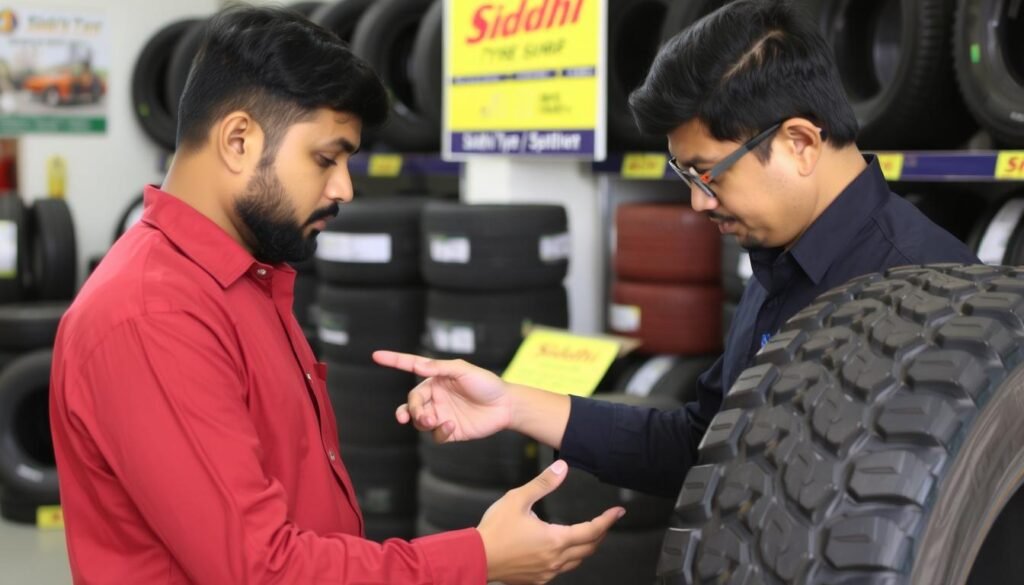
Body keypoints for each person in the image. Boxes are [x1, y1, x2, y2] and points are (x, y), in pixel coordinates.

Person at [49, 6, 622, 584]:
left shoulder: (243, 280)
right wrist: (479, 556)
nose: (344, 187)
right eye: (325, 158)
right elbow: (261, 570)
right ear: (239, 140)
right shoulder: (153, 316)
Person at [373, 0, 981, 503]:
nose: (696, 204)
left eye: (708, 174)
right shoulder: (780, 264)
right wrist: (512, 403)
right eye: (685, 177)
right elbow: (701, 446)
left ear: (798, 143)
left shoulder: (937, 295)